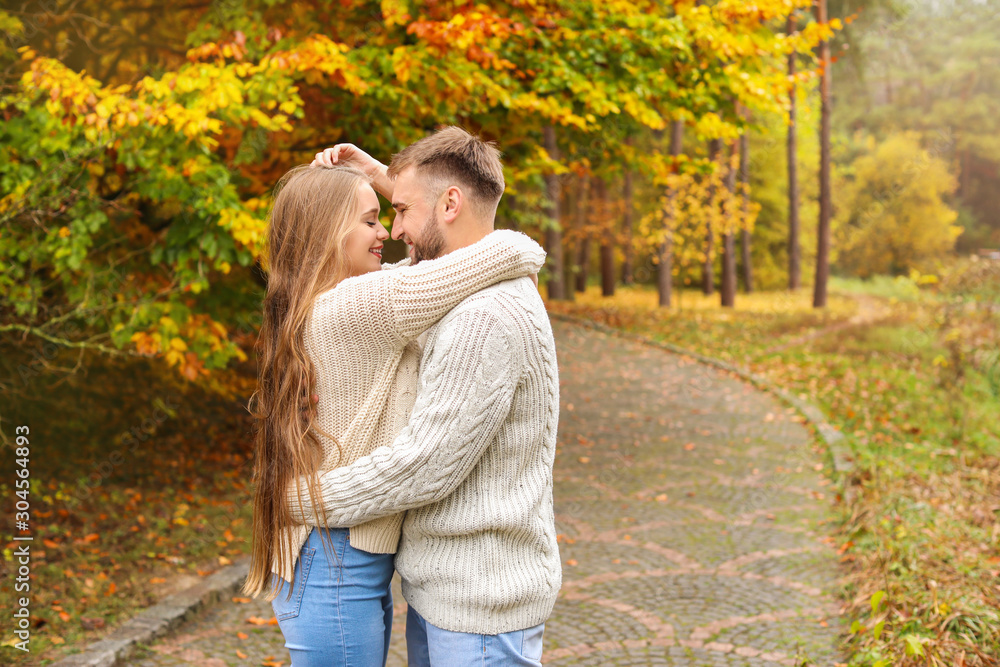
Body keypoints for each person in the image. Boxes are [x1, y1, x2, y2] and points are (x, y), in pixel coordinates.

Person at [244, 148, 547, 666]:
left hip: (344, 549)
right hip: (333, 550)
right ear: (327, 233)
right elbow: (496, 254)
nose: (388, 231)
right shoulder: (358, 306)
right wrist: (426, 200)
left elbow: (439, 250)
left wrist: (388, 183)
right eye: (371, 220)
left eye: (391, 214)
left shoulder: (345, 299)